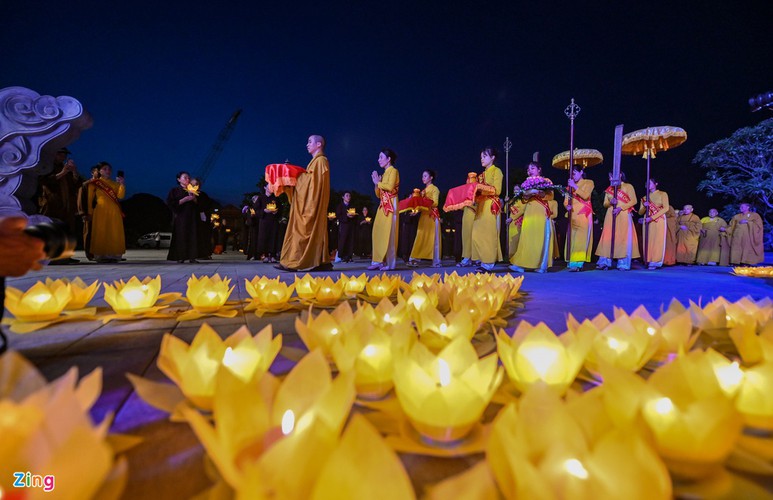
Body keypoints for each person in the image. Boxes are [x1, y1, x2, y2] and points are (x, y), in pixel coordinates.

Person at [277, 135, 331, 271]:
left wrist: (295, 176)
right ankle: (320, 261)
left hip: (312, 204)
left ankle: (297, 261)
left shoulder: (321, 161)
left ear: (319, 144)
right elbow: (309, 181)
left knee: (303, 230)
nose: (307, 144)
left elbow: (314, 185)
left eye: (310, 142)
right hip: (307, 201)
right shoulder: (314, 162)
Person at [510, 160, 554, 273]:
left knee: (540, 238)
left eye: (532, 168)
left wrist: (540, 192)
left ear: (539, 170)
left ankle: (540, 265)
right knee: (526, 237)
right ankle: (521, 264)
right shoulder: (526, 183)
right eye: (528, 169)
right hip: (529, 211)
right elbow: (523, 199)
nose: (530, 171)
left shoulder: (546, 181)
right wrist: (527, 193)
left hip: (541, 211)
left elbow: (550, 196)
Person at [595, 172, 639, 271]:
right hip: (610, 214)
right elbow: (605, 203)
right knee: (607, 237)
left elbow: (634, 201)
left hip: (623, 213)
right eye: (609, 177)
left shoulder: (628, 186)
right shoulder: (609, 189)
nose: (610, 179)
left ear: (619, 175)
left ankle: (623, 263)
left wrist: (620, 207)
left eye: (612, 177)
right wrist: (610, 202)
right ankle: (605, 261)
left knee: (623, 238)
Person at [86, 162, 126, 263]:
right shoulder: (94, 182)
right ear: (99, 171)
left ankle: (114, 255)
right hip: (100, 210)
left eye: (109, 169)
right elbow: (89, 199)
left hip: (114, 210)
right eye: (105, 169)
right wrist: (89, 212)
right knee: (101, 231)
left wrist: (122, 184)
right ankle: (100, 255)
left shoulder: (115, 183)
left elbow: (120, 196)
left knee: (113, 231)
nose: (108, 171)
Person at [471, 147, 503, 272]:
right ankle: (482, 259)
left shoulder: (497, 171)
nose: (482, 159)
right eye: (481, 157)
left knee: (488, 234)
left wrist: (481, 188)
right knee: (476, 233)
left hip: (490, 205)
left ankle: (488, 263)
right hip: (481, 205)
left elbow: (497, 190)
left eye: (484, 156)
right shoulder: (481, 175)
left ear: (492, 157)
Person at [368, 148, 400, 271]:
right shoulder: (385, 173)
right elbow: (378, 194)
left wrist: (379, 183)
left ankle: (389, 263)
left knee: (390, 232)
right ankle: (378, 260)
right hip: (383, 204)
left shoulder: (393, 171)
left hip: (391, 204)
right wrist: (376, 184)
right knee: (378, 231)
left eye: (381, 157)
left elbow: (390, 187)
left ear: (389, 159)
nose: (379, 160)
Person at [563, 166, 595, 272]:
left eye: (575, 172)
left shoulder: (588, 182)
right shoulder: (570, 186)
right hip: (572, 214)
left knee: (581, 238)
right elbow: (566, 200)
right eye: (571, 173)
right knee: (571, 238)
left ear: (581, 172)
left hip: (583, 213)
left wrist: (574, 186)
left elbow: (586, 196)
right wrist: (567, 205)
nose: (573, 175)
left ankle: (578, 263)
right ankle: (571, 260)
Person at [409, 170, 442, 267]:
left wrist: (424, 200)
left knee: (433, 237)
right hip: (424, 216)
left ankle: (436, 261)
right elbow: (420, 205)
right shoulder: (422, 191)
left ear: (431, 177)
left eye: (425, 176)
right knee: (420, 235)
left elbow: (436, 203)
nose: (423, 178)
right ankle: (415, 258)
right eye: (422, 176)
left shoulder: (435, 189)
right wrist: (415, 211)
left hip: (432, 216)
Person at [167, 171, 199, 263]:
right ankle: (181, 257)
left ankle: (192, 257)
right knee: (181, 236)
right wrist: (184, 200)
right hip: (181, 216)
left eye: (188, 178)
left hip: (192, 217)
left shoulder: (192, 189)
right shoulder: (174, 190)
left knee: (192, 235)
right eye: (185, 177)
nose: (187, 179)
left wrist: (194, 198)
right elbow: (170, 203)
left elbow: (198, 204)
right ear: (179, 179)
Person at [637, 178, 669, 270]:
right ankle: (648, 259)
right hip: (647, 220)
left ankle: (655, 261)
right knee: (647, 240)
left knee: (657, 240)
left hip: (658, 219)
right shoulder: (644, 198)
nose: (648, 185)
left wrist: (652, 217)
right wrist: (645, 206)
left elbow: (666, 208)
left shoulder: (662, 194)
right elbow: (640, 212)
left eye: (650, 183)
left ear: (656, 184)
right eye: (646, 183)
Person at [78, 165, 100, 261]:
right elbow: (80, 199)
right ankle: (89, 254)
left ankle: (100, 253)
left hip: (101, 214)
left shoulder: (103, 185)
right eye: (97, 171)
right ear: (92, 173)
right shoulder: (86, 184)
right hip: (89, 213)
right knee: (88, 234)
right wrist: (83, 214)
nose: (99, 173)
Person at [456, 172, 479, 267]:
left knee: (475, 237)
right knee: (466, 236)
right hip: (466, 214)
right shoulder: (465, 193)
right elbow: (461, 205)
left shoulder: (478, 193)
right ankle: (466, 257)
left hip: (475, 215)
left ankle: (476, 258)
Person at [191, 178, 213, 260]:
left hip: (202, 219)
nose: (195, 185)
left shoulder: (203, 194)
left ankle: (204, 254)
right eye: (193, 184)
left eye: (197, 184)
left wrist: (196, 201)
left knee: (204, 236)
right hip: (192, 218)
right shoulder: (188, 193)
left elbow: (206, 206)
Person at [257, 183, 280, 263]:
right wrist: (264, 211)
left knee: (274, 237)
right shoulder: (261, 198)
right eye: (269, 186)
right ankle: (265, 255)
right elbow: (256, 210)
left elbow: (280, 208)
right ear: (265, 188)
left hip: (273, 220)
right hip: (264, 221)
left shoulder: (276, 198)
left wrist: (276, 212)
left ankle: (273, 255)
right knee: (264, 237)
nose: (271, 188)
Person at [505, 186, 526, 263]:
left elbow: (522, 210)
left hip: (518, 221)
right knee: (511, 241)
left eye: (517, 189)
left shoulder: (522, 199)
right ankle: (511, 259)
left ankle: (517, 260)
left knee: (516, 240)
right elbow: (505, 210)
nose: (515, 191)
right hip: (511, 223)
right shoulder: (512, 200)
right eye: (514, 189)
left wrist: (512, 218)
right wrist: (507, 202)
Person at [336, 191, 357, 263]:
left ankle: (349, 256)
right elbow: (338, 216)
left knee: (350, 240)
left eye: (349, 196)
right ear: (343, 197)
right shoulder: (340, 206)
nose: (348, 197)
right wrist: (346, 216)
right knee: (343, 240)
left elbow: (355, 215)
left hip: (351, 225)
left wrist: (353, 216)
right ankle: (342, 256)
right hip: (344, 225)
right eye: (347, 196)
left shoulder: (352, 206)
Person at [243, 194, 260, 260]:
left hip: (259, 225)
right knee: (253, 241)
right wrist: (252, 217)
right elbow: (248, 218)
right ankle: (252, 255)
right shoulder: (251, 208)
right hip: (254, 226)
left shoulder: (260, 207)